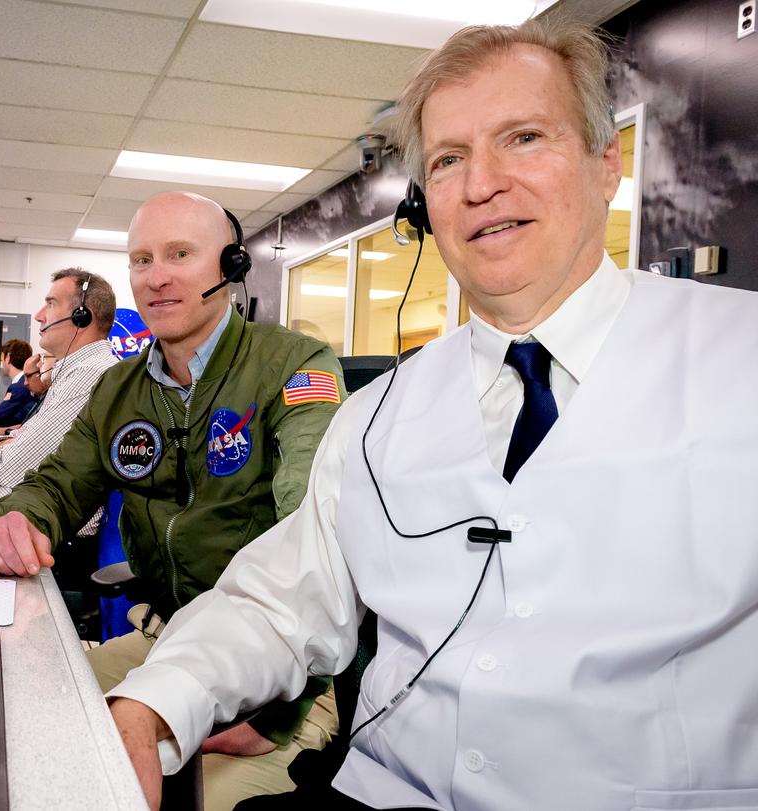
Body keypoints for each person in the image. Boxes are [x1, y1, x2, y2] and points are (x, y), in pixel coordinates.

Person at [106, 18, 758, 811]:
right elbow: (277, 604)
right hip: (381, 793)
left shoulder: (738, 361)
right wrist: (152, 704)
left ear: (605, 162)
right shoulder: (378, 416)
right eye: (449, 160)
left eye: (522, 138)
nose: (482, 184)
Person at [0, 191, 347, 810]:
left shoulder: (292, 364)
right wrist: (13, 519)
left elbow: (315, 533)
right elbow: (58, 483)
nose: (157, 276)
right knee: (10, 725)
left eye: (180, 254)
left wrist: (284, 713)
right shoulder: (119, 387)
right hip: (158, 640)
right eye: (142, 259)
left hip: (280, 677)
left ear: (229, 266)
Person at [0, 268, 118, 489]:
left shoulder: (89, 375)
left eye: (51, 304)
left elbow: (11, 471)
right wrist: (8, 443)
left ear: (81, 317)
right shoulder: (73, 372)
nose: (39, 315)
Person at [0, 338, 36, 429]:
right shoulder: (23, 382)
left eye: (2, 358)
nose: (1, 362)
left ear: (8, 358)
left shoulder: (19, 386)